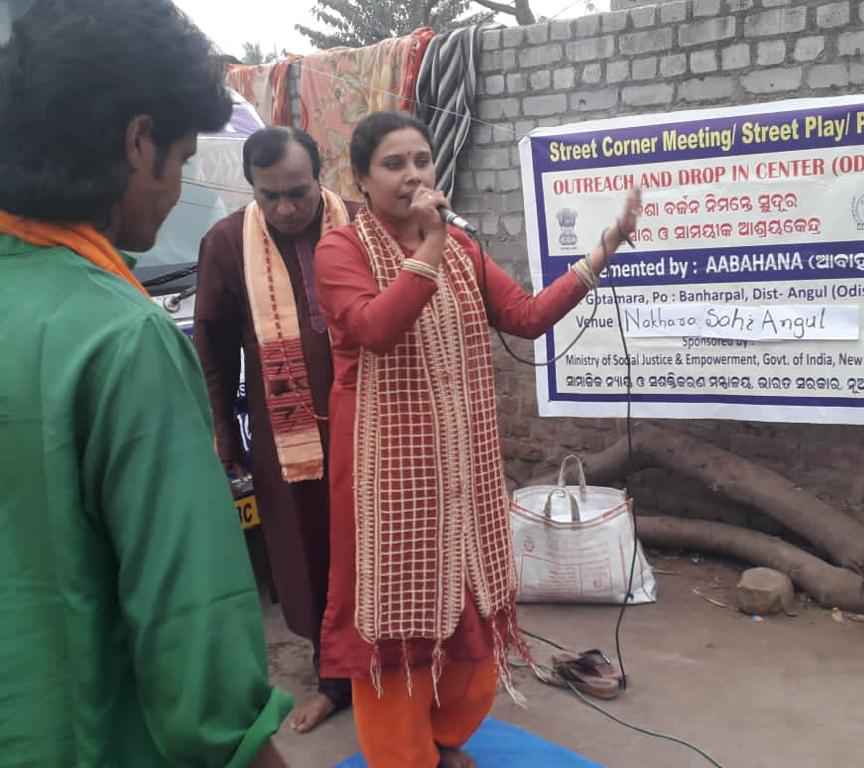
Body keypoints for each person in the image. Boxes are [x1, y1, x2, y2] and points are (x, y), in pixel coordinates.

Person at [0, 1, 293, 766]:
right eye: (184, 157)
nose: (178, 188)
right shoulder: (122, 339)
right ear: (139, 143)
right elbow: (195, 638)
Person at [313, 111, 641, 768]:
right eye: (394, 164)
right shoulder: (340, 251)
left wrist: (605, 248)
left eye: (422, 160)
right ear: (361, 180)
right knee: (396, 620)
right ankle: (402, 756)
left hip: (464, 467)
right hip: (385, 476)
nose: (413, 175)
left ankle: (442, 740)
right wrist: (430, 245)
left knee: (472, 603)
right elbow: (376, 329)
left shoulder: (463, 249)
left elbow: (526, 316)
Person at [194, 126, 354, 733]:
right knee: (307, 551)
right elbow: (213, 347)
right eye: (270, 196)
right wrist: (225, 434)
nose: (286, 209)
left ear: (320, 177)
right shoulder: (226, 243)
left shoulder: (363, 225)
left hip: (370, 421)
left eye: (297, 193)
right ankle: (334, 677)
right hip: (286, 434)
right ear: (252, 190)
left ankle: (399, 666)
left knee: (378, 541)